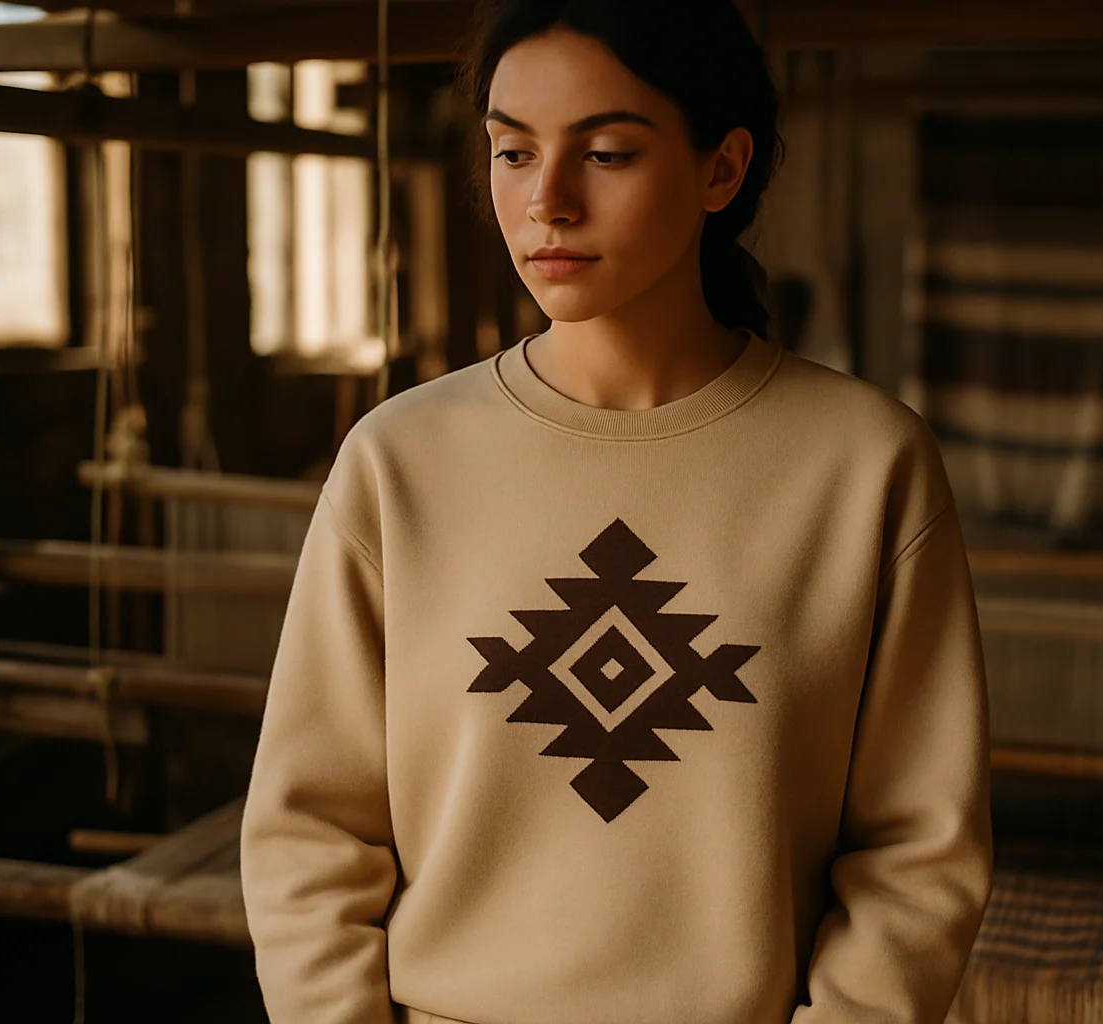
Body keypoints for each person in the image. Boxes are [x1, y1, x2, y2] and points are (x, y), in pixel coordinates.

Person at [238, 1, 992, 1021]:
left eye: (606, 154)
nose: (546, 201)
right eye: (512, 151)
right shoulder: (398, 461)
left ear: (721, 170)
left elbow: (920, 847)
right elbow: (309, 832)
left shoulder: (864, 464)